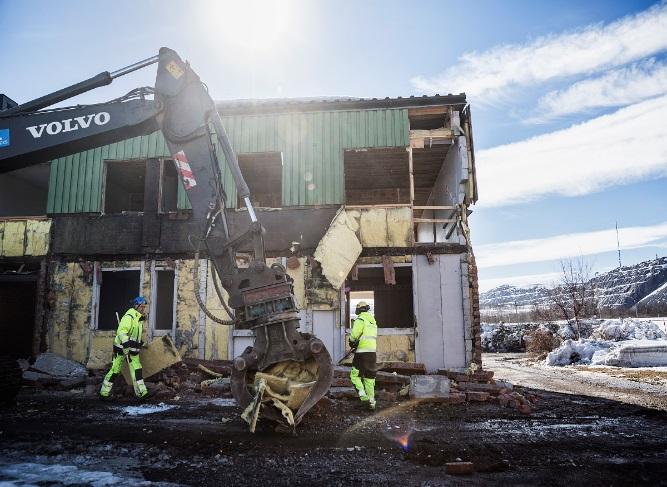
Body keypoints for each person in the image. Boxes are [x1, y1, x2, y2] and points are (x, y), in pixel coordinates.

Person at [100, 296, 149, 399]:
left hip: (132, 349)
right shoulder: (129, 317)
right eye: (142, 307)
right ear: (136, 306)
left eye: (144, 307)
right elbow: (122, 332)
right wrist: (126, 346)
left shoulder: (139, 319)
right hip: (121, 348)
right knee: (115, 370)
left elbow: (135, 335)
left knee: (137, 369)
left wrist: (139, 344)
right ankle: (104, 392)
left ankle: (141, 393)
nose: (143, 309)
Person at [348, 301, 378, 410]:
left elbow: (354, 335)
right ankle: (371, 403)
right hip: (372, 354)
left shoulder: (360, 319)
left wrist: (351, 342)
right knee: (369, 378)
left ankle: (363, 397)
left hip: (361, 354)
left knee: (354, 376)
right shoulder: (373, 322)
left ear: (359, 309)